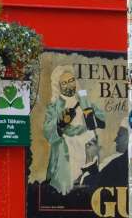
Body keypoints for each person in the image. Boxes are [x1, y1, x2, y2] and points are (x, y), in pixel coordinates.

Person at [41, 67, 104, 195]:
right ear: (58, 86)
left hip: (88, 151)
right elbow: (48, 132)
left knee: (88, 186)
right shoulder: (55, 106)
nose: (69, 85)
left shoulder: (84, 99)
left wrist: (92, 117)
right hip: (69, 152)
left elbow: (102, 120)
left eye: (71, 80)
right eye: (64, 83)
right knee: (69, 189)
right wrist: (62, 123)